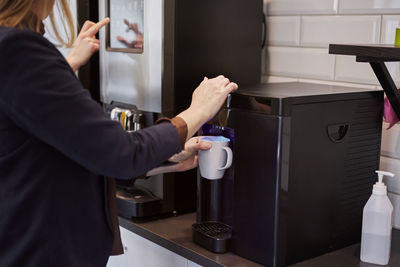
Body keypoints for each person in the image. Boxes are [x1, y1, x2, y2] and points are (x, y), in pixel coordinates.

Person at [0, 0, 238, 266]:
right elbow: (121, 153)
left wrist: (166, 161)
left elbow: (69, 149)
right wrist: (198, 110)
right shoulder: (16, 47)